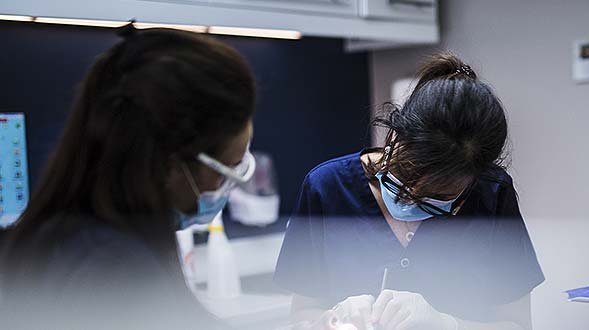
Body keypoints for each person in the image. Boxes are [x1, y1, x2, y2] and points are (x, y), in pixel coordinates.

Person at [0, 24, 256, 329]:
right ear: (171, 166)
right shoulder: (109, 268)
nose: (223, 189)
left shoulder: (86, 239)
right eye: (225, 170)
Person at [274, 53, 544, 330]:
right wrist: (330, 320)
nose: (411, 197)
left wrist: (448, 325)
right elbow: (299, 319)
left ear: (475, 179)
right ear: (396, 134)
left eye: (437, 197)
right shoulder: (326, 188)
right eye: (406, 176)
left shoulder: (492, 194)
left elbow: (518, 324)